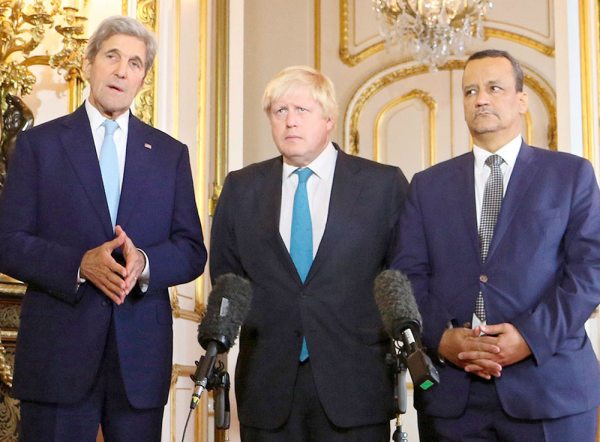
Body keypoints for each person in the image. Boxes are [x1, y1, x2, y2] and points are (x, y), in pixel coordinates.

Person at [0, 16, 206, 441]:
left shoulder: (169, 154)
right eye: (112, 56)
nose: (121, 71)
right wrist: (78, 265)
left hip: (139, 361)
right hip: (57, 357)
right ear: (88, 63)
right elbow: (8, 242)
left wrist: (144, 263)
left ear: (143, 79)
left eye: (135, 63)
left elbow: (191, 249)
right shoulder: (39, 145)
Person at [392, 49, 600, 441]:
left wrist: (529, 338)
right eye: (470, 91)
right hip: (452, 396)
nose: (480, 99)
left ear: (521, 99)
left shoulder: (570, 175)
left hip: (549, 389)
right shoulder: (428, 185)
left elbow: (590, 271)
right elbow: (407, 276)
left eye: (494, 88)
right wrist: (441, 338)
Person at [210, 65, 409, 441]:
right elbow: (226, 277)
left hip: (356, 385)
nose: (290, 121)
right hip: (267, 385)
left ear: (329, 119)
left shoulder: (382, 185)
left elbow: (402, 276)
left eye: (302, 110)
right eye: (280, 111)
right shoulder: (241, 188)